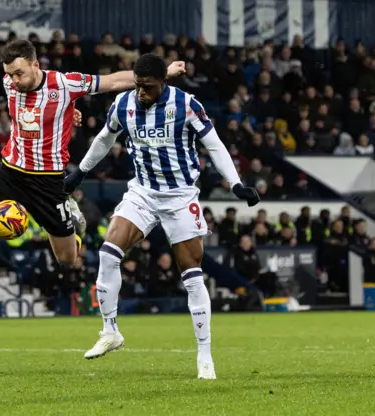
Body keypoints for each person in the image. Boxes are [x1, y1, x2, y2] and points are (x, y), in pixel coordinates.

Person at [0, 40, 186, 295]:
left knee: (67, 259)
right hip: (9, 171)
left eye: (19, 72)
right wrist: (68, 114)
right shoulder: (9, 83)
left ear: (36, 64)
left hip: (47, 183)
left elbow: (110, 82)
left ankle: (71, 219)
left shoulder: (64, 84)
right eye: (9, 73)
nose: (14, 79)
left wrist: (161, 74)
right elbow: (31, 114)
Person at [64, 54, 260, 379]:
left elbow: (214, 145)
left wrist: (236, 183)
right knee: (108, 252)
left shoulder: (186, 105)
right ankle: (110, 331)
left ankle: (204, 356)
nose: (141, 93)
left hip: (180, 198)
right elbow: (104, 138)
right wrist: (81, 173)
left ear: (163, 83)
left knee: (192, 276)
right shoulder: (124, 104)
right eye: (138, 86)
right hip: (142, 192)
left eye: (148, 87)